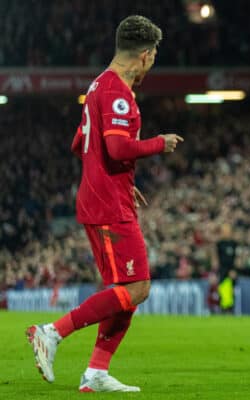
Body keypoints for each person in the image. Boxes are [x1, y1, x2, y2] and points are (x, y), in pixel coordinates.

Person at [26, 15, 183, 393]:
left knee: (126, 290)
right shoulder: (116, 91)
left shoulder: (98, 85)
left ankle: (96, 372)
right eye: (155, 56)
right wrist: (159, 143)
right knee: (138, 287)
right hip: (107, 204)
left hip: (106, 195)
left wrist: (119, 178)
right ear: (144, 55)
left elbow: (80, 143)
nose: (153, 63)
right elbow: (115, 147)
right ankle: (52, 332)